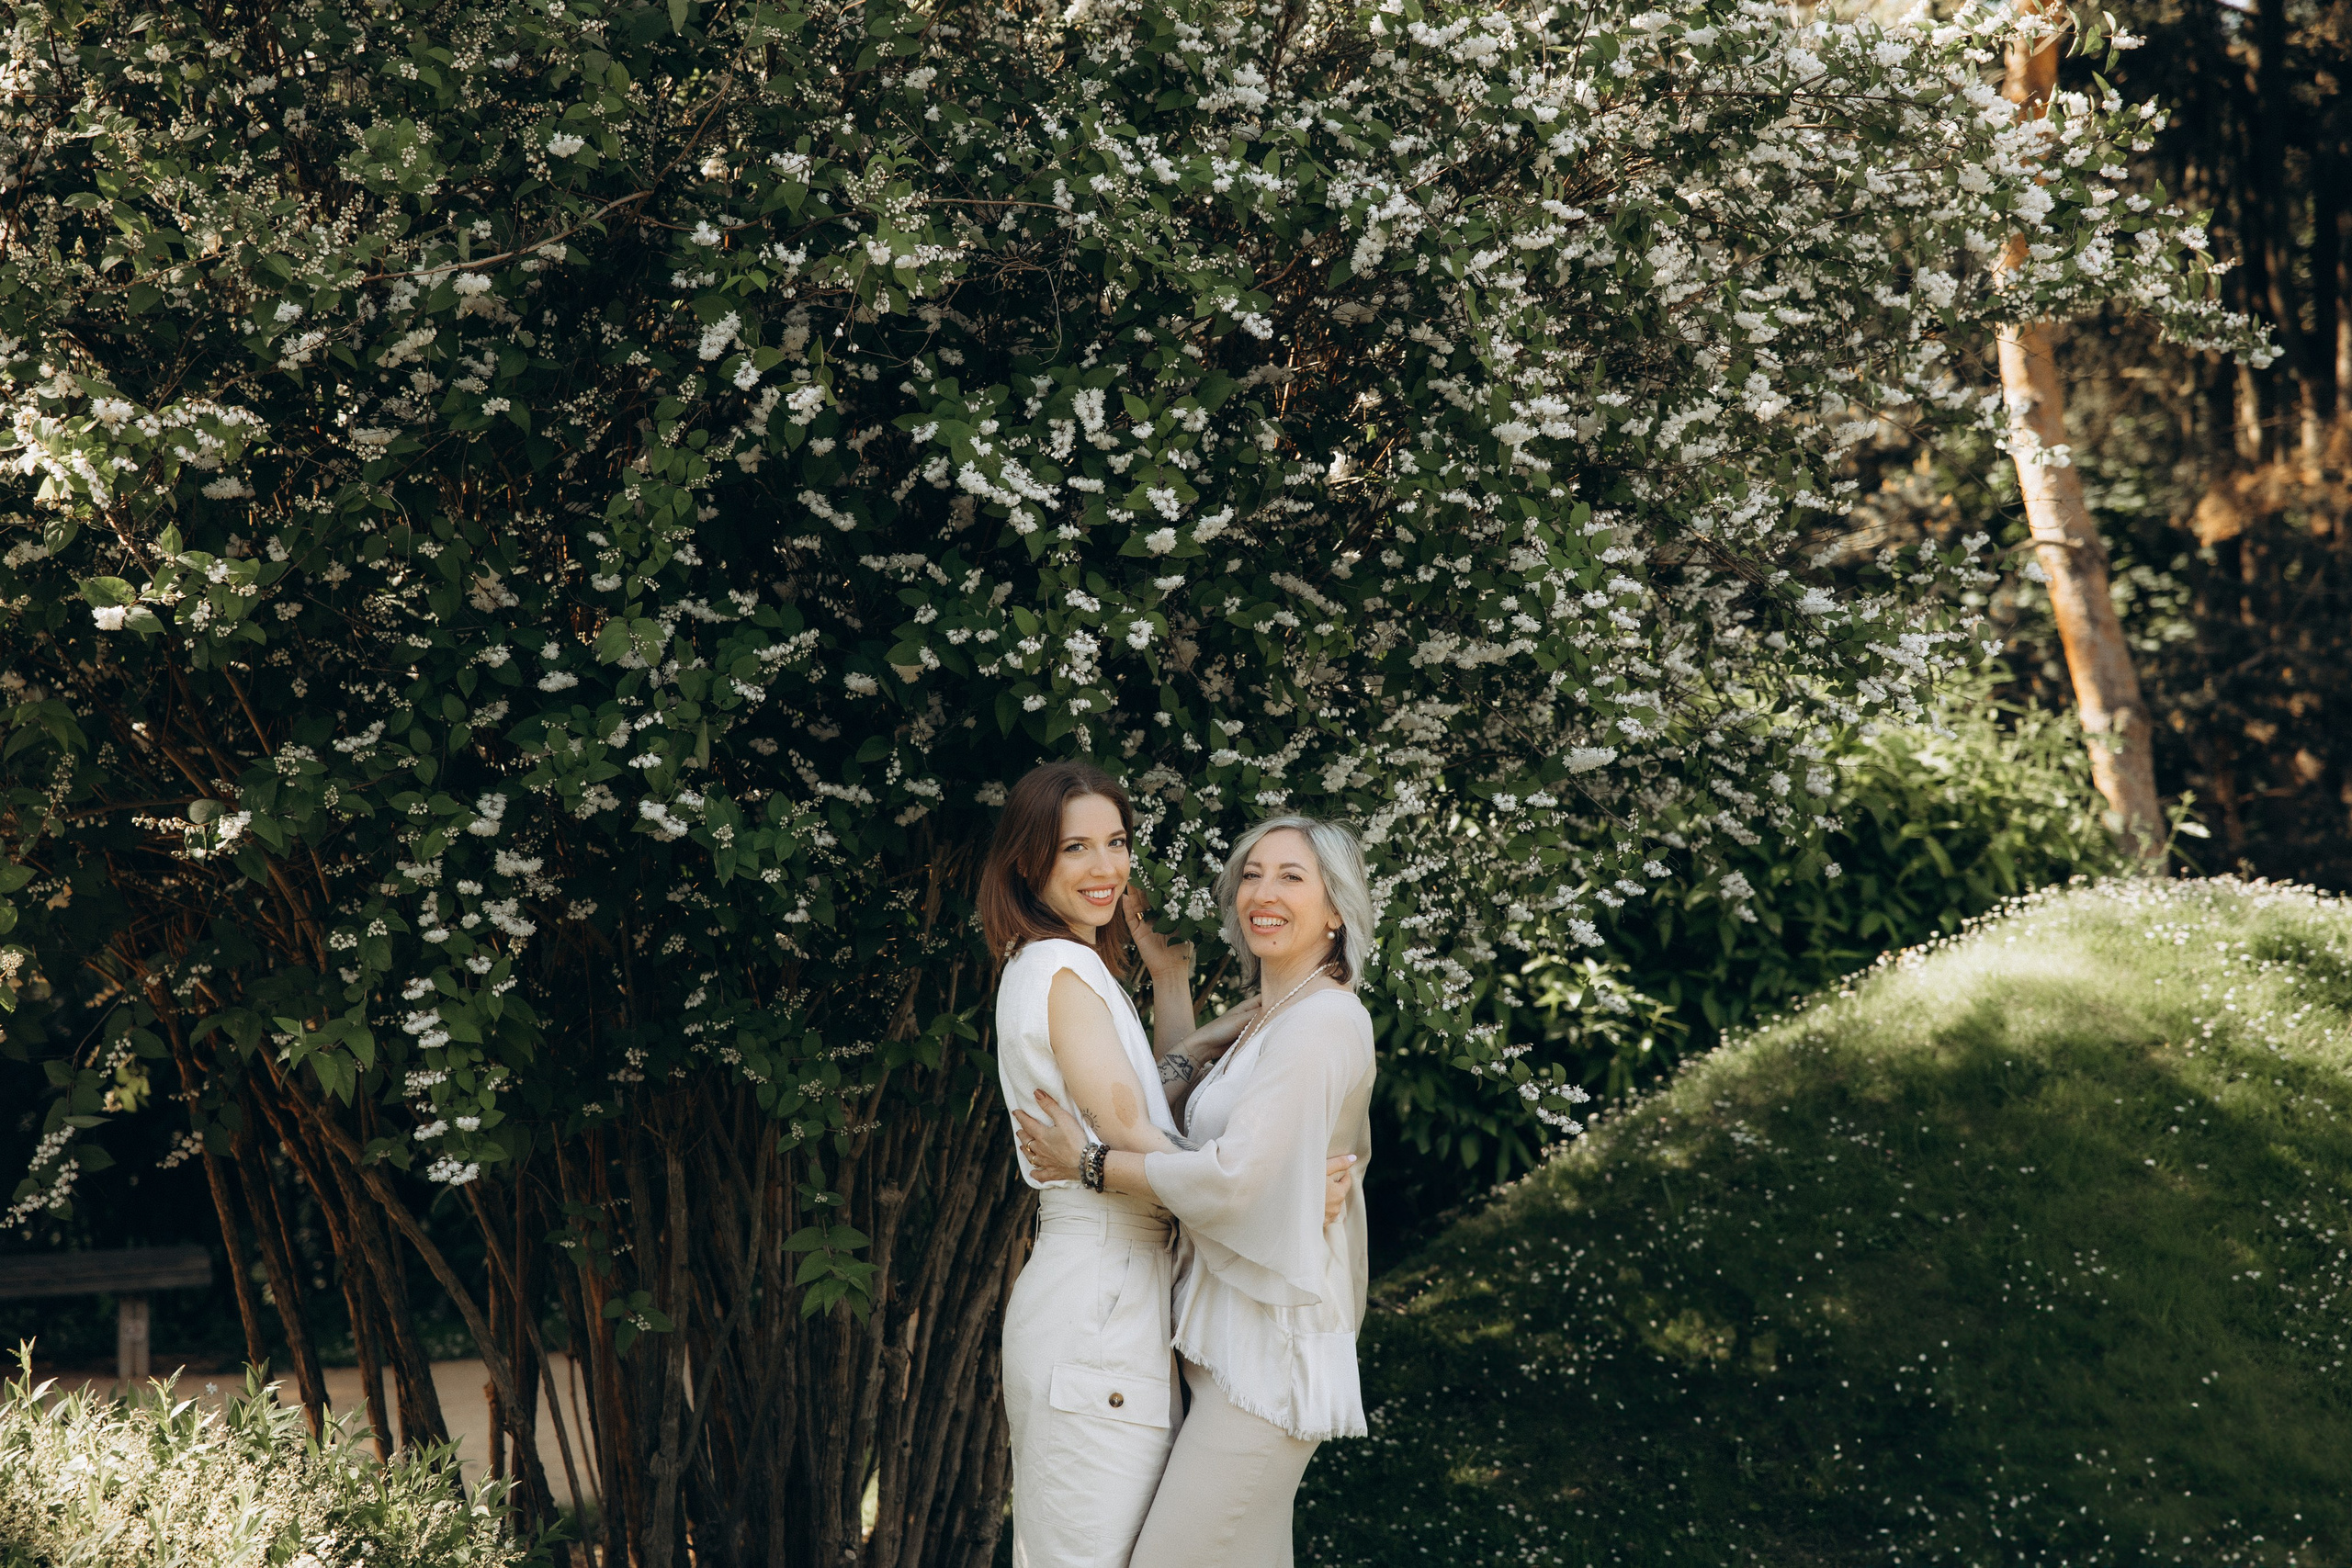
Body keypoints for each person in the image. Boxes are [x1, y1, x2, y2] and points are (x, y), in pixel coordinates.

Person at [982, 766, 1355, 1568]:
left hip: (1121, 1303)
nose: (1104, 867)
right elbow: (1140, 1142)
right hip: (1101, 1299)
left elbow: (1152, 1110)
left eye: (1115, 842)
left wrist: (1173, 985)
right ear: (1027, 863)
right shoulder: (1058, 970)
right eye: (1073, 847)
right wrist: (1267, 1189)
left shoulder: (1075, 969)